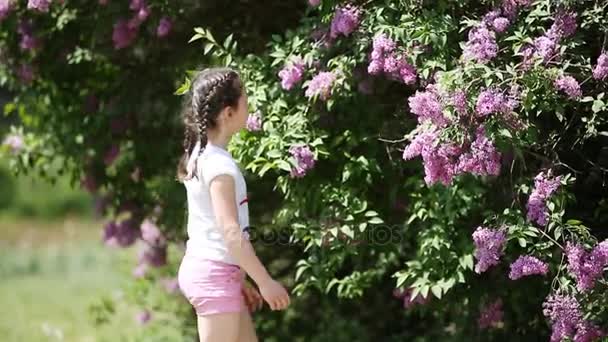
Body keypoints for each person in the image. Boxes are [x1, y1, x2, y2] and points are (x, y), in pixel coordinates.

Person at [176, 67, 290, 342]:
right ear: (228, 113)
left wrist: (240, 278)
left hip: (219, 273)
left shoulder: (201, 153)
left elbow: (214, 230)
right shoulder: (218, 166)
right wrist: (264, 281)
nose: (249, 106)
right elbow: (230, 232)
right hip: (213, 277)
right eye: (246, 100)